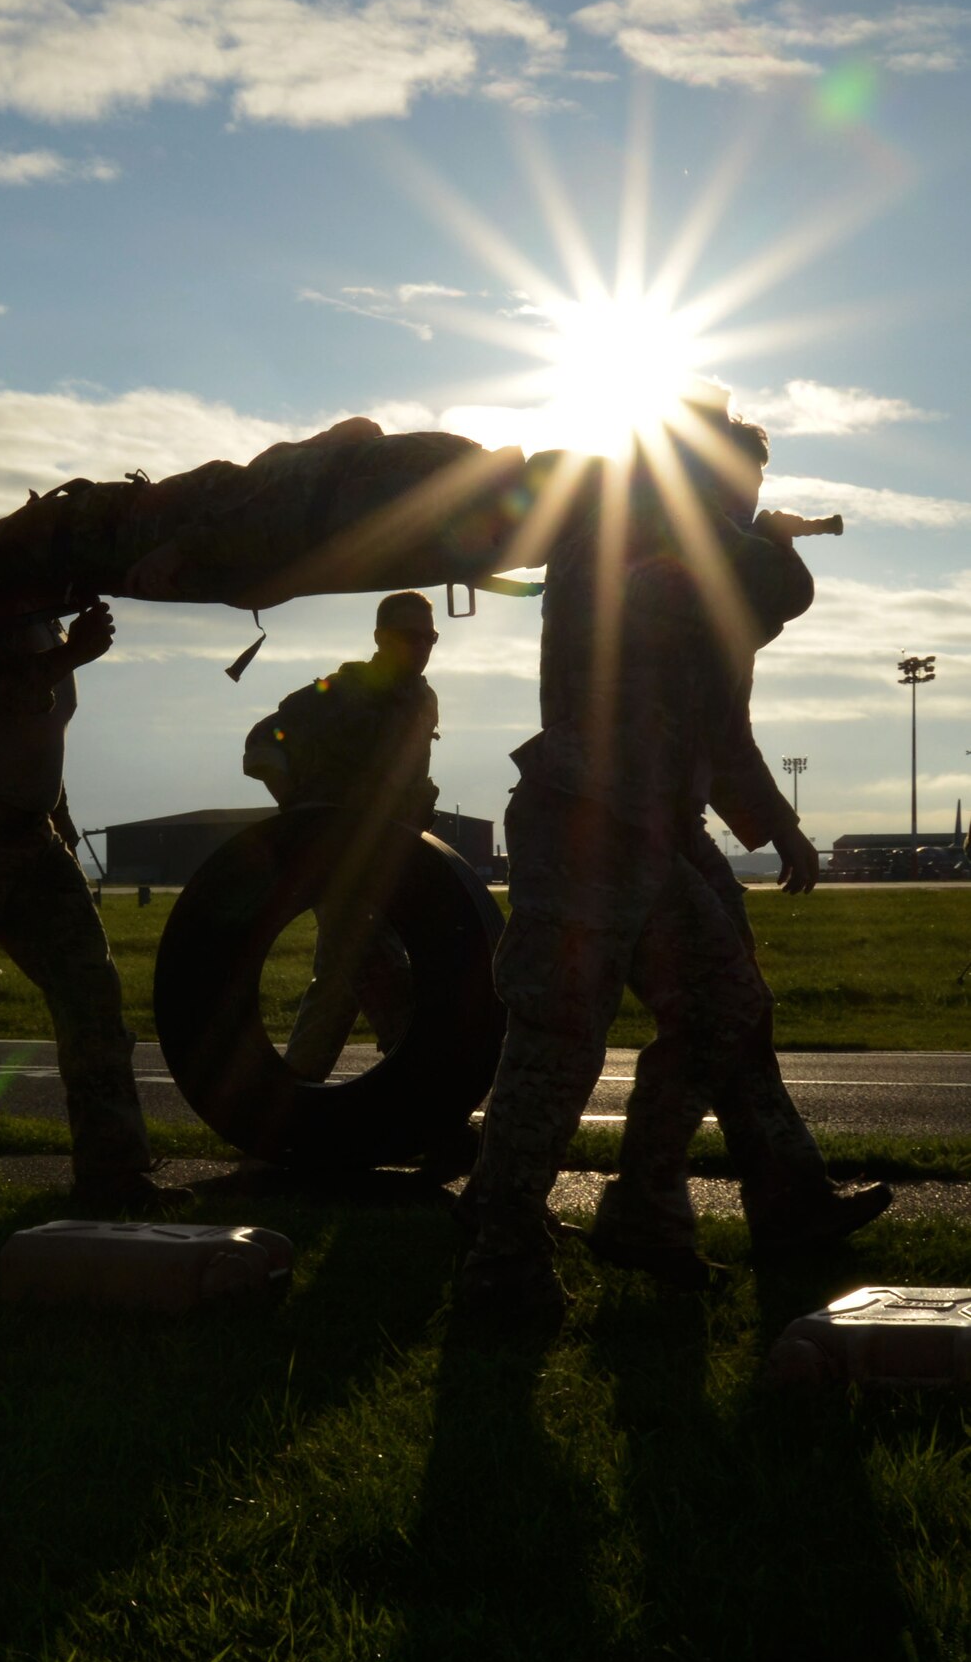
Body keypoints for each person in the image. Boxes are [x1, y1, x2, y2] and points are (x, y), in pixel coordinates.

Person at [458, 397, 890, 1326]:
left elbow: (719, 722)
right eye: (738, 484)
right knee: (555, 1044)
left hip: (649, 825)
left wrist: (775, 822)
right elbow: (773, 593)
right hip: (584, 815)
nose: (750, 500)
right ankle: (501, 1265)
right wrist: (768, 542)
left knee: (724, 1009)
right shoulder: (633, 529)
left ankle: (647, 1215)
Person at [0, 588, 188, 1212]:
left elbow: (37, 743)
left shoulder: (45, 625)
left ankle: (114, 1176)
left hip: (30, 836)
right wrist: (72, 655)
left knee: (90, 997)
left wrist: (63, 836)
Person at [243, 592, 439, 1083]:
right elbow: (264, 740)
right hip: (339, 862)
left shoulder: (421, 699)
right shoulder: (338, 693)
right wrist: (298, 813)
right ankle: (429, 1108)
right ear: (380, 639)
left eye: (429, 637)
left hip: (392, 860)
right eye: (409, 636)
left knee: (337, 988)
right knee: (385, 978)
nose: (422, 646)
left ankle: (287, 1112)